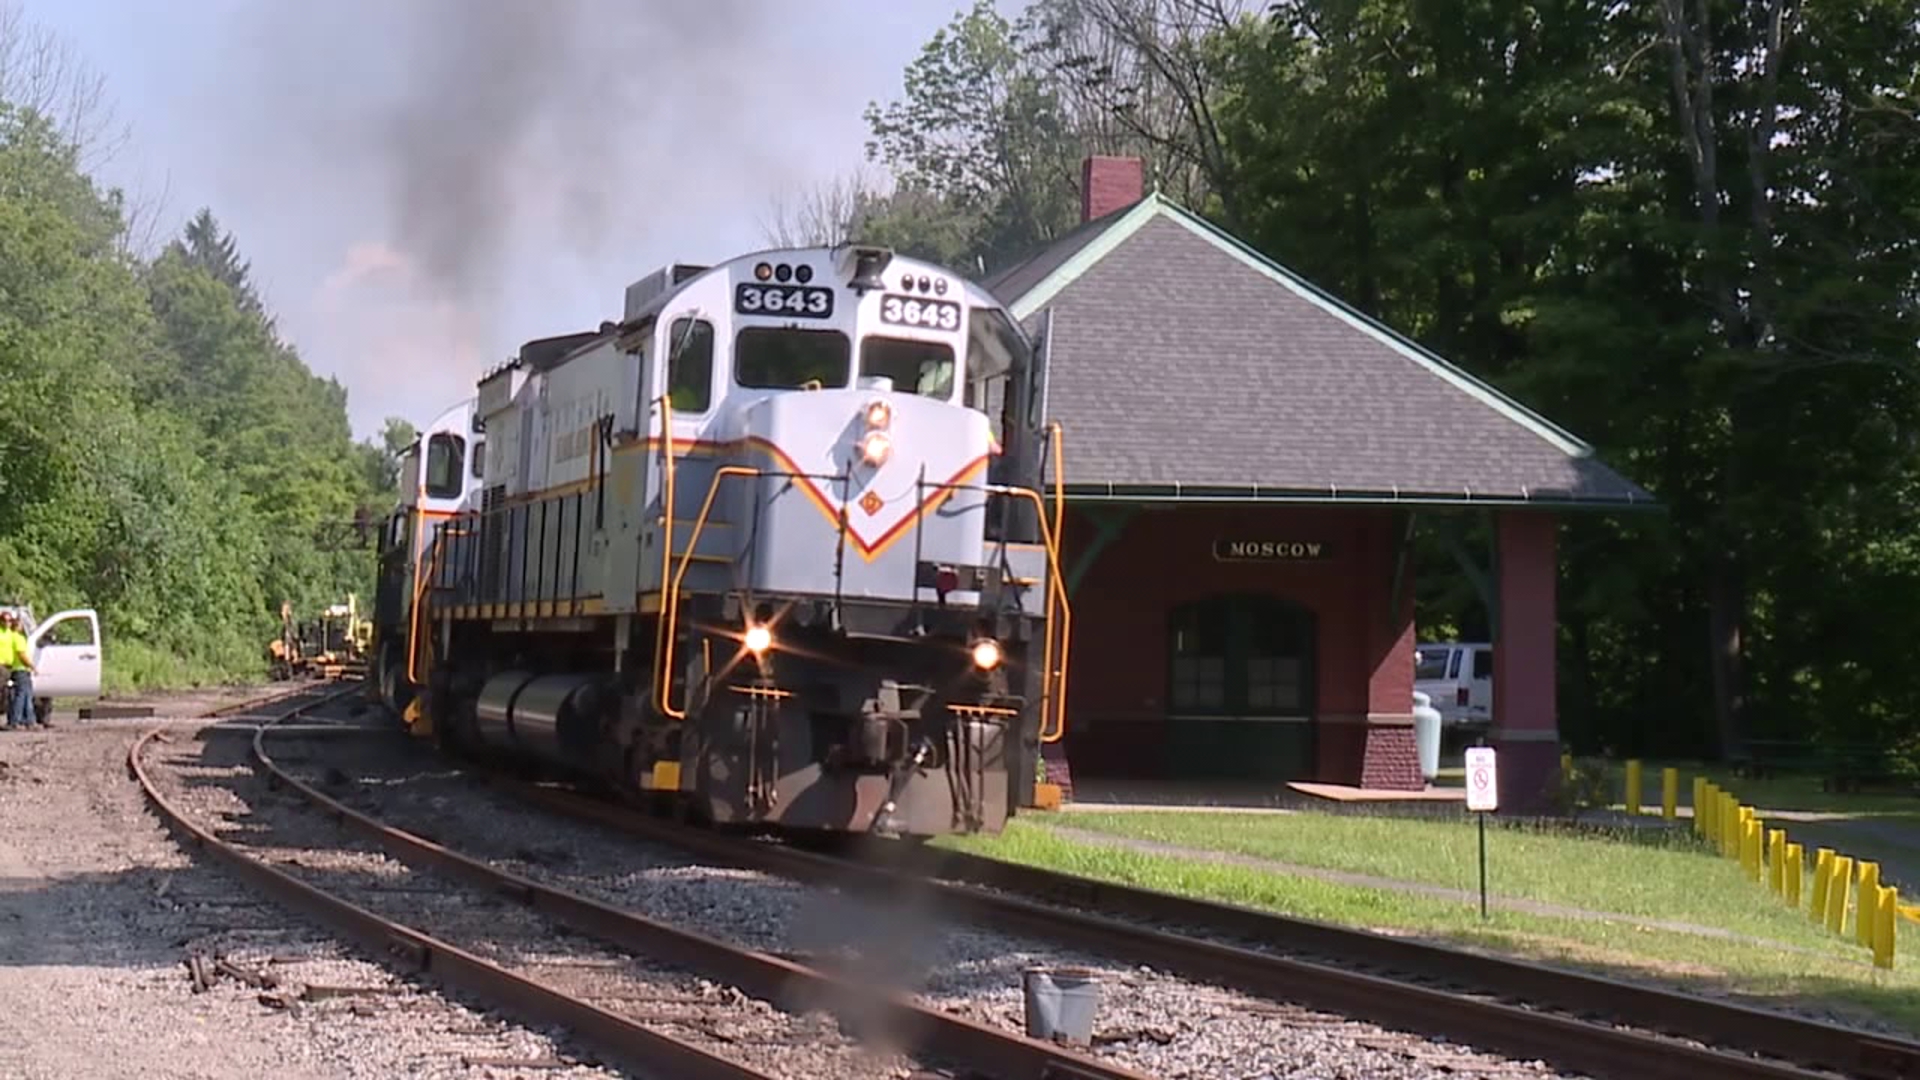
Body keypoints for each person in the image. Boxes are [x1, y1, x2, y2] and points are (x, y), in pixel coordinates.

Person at [0, 611, 36, 730]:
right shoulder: (11, 636)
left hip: (10, 667)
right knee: (14, 695)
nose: (7, 623)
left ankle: (21, 720)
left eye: (9, 621)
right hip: (6, 667)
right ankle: (17, 720)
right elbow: (21, 654)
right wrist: (31, 666)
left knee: (12, 695)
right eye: (5, 620)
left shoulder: (11, 634)